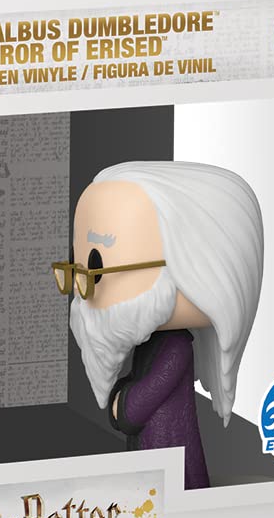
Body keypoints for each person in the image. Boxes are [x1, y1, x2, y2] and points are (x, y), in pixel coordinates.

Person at [57, 160, 263, 489]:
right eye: (76, 264)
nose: (83, 289)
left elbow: (137, 406)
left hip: (167, 455)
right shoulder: (152, 342)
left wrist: (122, 404)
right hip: (153, 452)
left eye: (96, 265)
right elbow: (136, 389)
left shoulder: (176, 348)